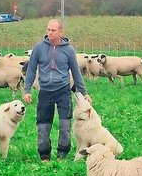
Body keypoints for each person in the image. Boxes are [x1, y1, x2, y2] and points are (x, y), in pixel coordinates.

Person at [23, 19, 91, 162]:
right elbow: (31, 69)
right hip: (45, 92)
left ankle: (62, 155)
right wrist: (27, 90)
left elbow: (76, 72)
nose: (50, 33)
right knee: (43, 126)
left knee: (64, 125)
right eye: (48, 30)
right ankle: (44, 156)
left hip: (63, 91)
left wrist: (84, 93)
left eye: (53, 30)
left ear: (61, 32)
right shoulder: (39, 48)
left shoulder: (69, 50)